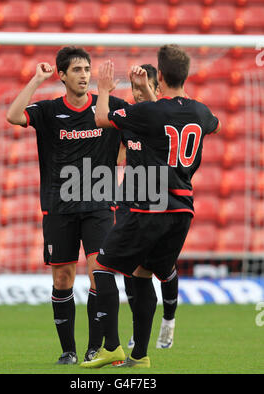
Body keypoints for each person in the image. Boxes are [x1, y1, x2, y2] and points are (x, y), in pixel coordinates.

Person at [6, 46, 153, 365]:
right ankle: (68, 351)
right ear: (61, 75)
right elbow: (13, 115)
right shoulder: (48, 111)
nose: (84, 75)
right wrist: (35, 80)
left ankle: (95, 348)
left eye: (87, 69)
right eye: (76, 70)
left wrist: (142, 91)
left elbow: (144, 131)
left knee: (99, 273)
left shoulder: (109, 106)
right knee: (63, 279)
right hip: (59, 206)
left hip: (100, 205)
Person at [80, 44, 221, 369]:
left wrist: (102, 89)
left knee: (100, 267)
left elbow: (101, 118)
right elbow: (216, 126)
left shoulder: (149, 113)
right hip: (183, 210)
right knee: (143, 274)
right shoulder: (200, 111)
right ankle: (140, 356)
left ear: (161, 74)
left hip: (149, 206)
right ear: (184, 74)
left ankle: (112, 346)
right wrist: (147, 91)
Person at [123, 63, 179, 350]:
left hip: (162, 201)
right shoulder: (129, 119)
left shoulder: (166, 121)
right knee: (128, 269)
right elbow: (118, 154)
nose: (138, 92)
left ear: (157, 89)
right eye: (134, 87)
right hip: (131, 200)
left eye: (144, 87)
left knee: (164, 267)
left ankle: (168, 321)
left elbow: (162, 119)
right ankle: (139, 328)